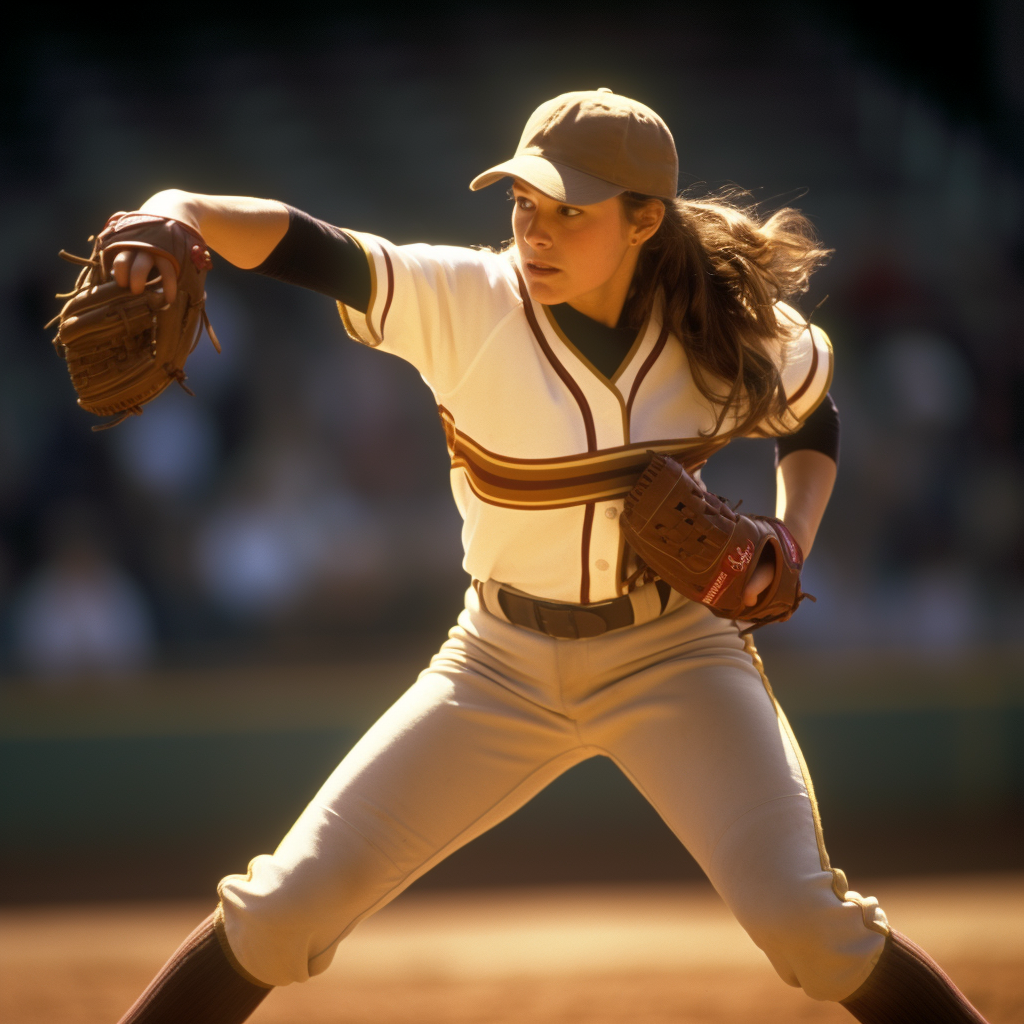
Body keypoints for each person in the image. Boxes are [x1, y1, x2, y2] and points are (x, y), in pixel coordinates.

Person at [109, 90, 988, 1023]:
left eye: (571, 210)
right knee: (283, 911)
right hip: (496, 663)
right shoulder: (465, 298)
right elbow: (304, 243)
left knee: (809, 926)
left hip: (676, 655)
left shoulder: (725, 328)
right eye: (525, 203)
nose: (536, 230)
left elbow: (811, 418)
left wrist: (793, 536)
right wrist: (181, 210)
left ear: (644, 219)